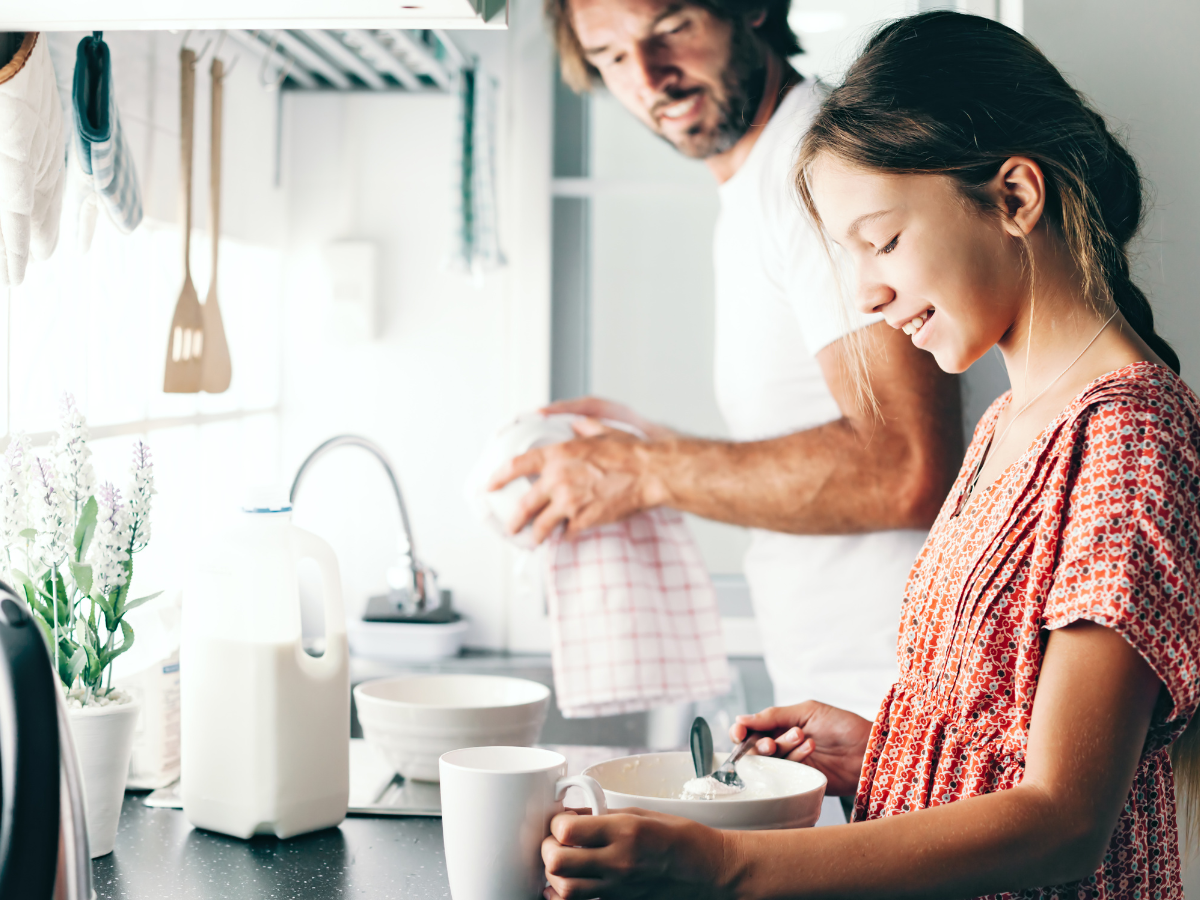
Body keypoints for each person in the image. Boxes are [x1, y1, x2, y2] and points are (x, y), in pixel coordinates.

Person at [538, 11, 1200, 898]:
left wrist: (728, 863)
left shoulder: (1128, 435)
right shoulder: (1009, 424)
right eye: (847, 258)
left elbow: (1064, 821)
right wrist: (876, 749)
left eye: (882, 242)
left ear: (1014, 196)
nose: (868, 294)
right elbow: (1001, 741)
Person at [489, 0, 964, 724]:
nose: (650, 79)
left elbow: (906, 468)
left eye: (670, 28)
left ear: (751, 8)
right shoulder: (763, 180)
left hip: (910, 703)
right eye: (611, 57)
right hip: (859, 710)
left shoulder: (818, 166)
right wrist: (660, 451)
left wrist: (644, 471)